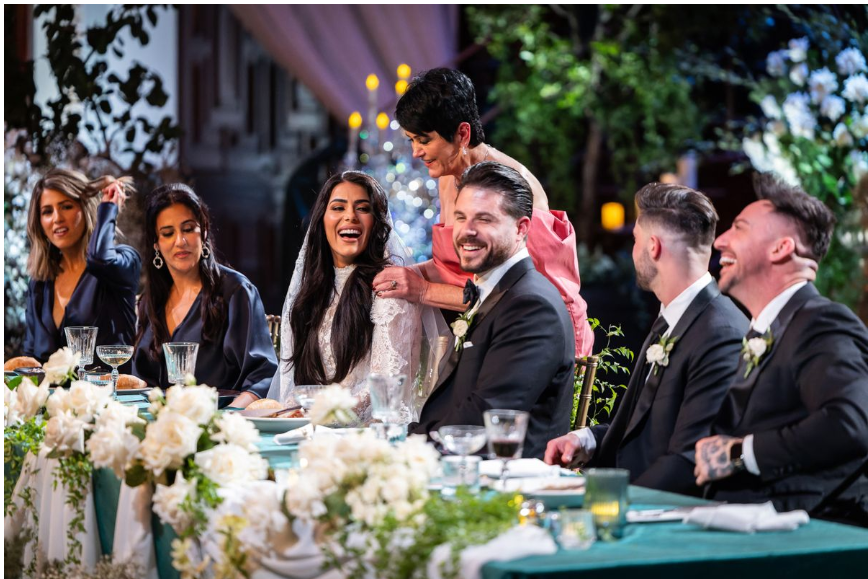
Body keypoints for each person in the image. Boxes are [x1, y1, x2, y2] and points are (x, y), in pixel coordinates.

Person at [371, 67, 594, 358]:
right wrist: (397, 276)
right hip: (485, 335)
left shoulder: (516, 188)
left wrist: (422, 290)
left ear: (462, 133)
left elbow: (526, 295)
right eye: (411, 140)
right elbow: (450, 268)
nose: (415, 152)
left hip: (540, 341)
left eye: (423, 140)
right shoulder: (448, 177)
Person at [544, 183, 748, 494]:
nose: (633, 250)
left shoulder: (721, 335)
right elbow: (647, 429)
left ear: (653, 247)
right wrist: (588, 439)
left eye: (635, 240)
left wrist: (600, 497)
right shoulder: (673, 318)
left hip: (664, 515)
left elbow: (688, 458)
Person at [694, 175, 868, 522]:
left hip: (807, 538)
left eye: (739, 228)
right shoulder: (772, 328)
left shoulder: (822, 322)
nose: (720, 242)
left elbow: (851, 422)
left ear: (781, 248)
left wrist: (741, 452)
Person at [409, 161, 575, 459]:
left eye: (484, 220)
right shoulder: (498, 292)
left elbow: (485, 419)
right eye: (460, 217)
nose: (466, 231)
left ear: (521, 228)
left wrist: (405, 448)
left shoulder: (531, 307)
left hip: (508, 486)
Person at [267, 171, 420, 416]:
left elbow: (385, 386)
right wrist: (288, 414)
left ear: (376, 222)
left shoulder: (389, 289)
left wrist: (322, 412)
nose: (350, 216)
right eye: (338, 208)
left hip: (368, 434)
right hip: (309, 431)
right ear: (322, 220)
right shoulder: (308, 294)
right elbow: (291, 384)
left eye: (362, 208)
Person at [132, 183, 276, 407]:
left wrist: (229, 417)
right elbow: (142, 384)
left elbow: (263, 377)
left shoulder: (236, 292)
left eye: (188, 229)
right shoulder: (149, 303)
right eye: (168, 233)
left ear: (204, 230)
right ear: (157, 245)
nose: (180, 241)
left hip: (220, 425)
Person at [24, 169, 141, 366]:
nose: (57, 218)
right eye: (47, 211)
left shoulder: (124, 261)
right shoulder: (39, 284)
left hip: (112, 395)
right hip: (52, 397)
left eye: (66, 206)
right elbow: (30, 359)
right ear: (39, 222)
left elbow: (100, 259)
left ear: (86, 208)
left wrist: (108, 209)